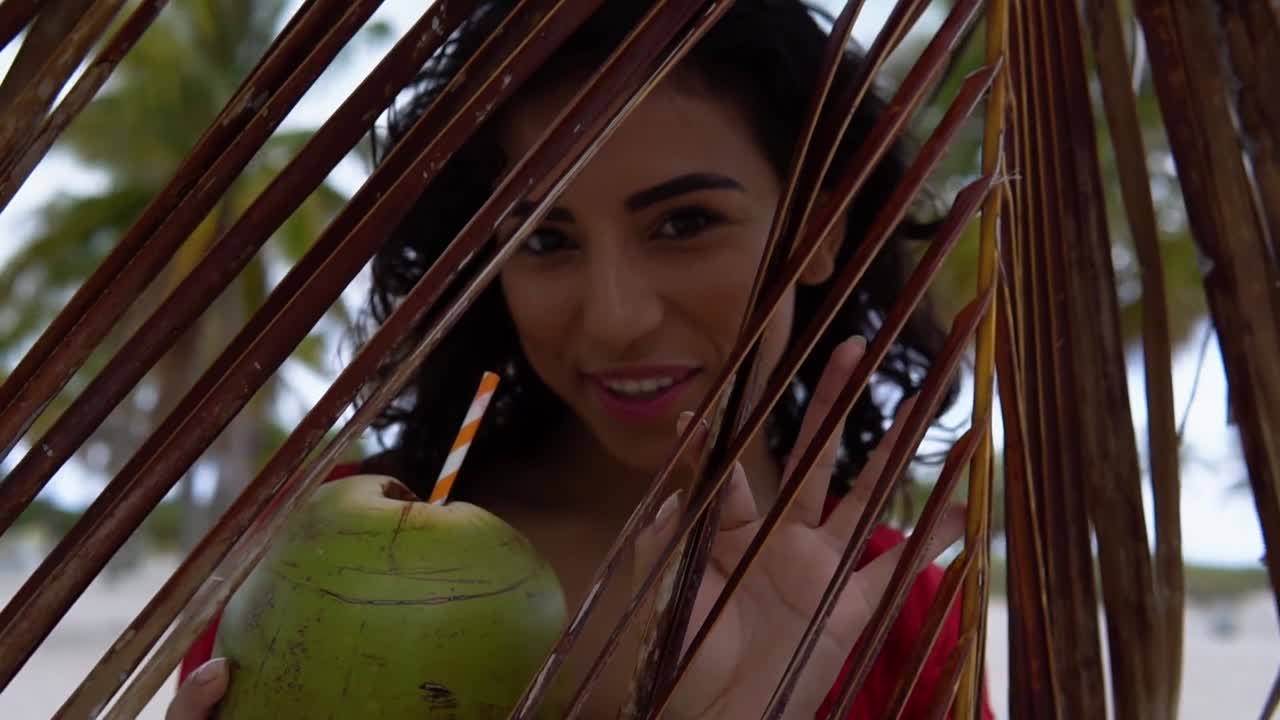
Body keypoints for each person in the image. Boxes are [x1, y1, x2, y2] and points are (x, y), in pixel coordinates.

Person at [168, 1, 992, 718]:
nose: (615, 319)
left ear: (818, 232)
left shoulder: (896, 618)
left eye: (685, 224)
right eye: (546, 239)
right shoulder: (333, 560)